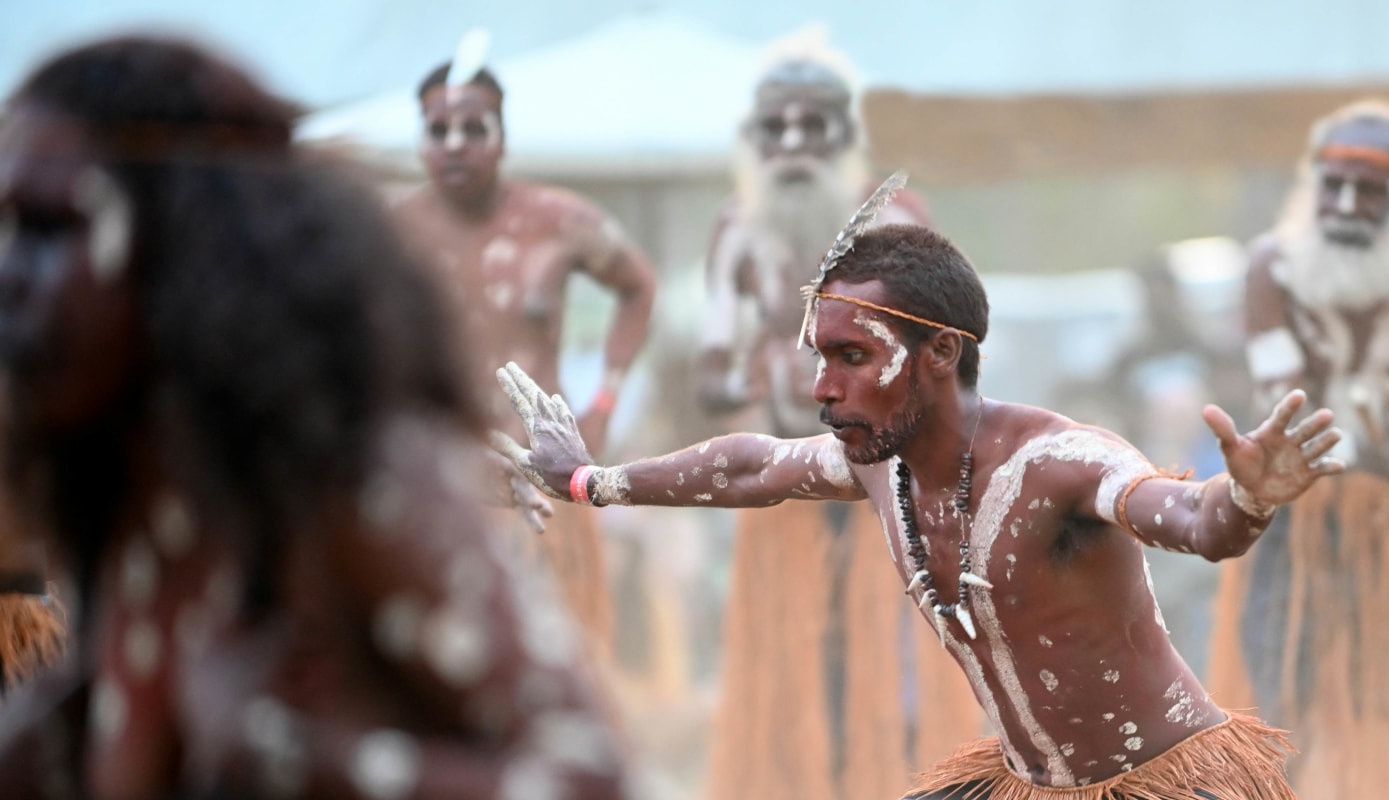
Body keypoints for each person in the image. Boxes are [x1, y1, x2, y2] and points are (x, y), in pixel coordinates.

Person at [495, 191, 1345, 798]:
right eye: (819, 356)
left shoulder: (1061, 463)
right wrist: (585, 478)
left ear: (940, 352)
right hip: (1024, 785)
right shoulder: (880, 464)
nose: (821, 387)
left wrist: (1249, 499)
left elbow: (1198, 522)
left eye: (851, 357)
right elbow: (753, 466)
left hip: (1162, 787)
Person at [0, 36, 636, 798]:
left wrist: (289, 757)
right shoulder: (129, 504)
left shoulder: (353, 482)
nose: (8, 273)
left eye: (47, 229)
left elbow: (595, 779)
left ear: (182, 238)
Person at [692, 28, 972, 800]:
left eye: (810, 125)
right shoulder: (737, 229)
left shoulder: (893, 223)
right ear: (754, 137)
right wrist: (743, 371)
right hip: (784, 488)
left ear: (843, 134)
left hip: (884, 480)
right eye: (775, 127)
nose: (792, 144)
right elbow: (711, 371)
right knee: (793, 657)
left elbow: (949, 357)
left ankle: (894, 782)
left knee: (888, 656)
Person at [1205, 99, 1389, 800]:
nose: (1347, 203)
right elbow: (1289, 416)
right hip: (1295, 515)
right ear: (1313, 184)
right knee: (1280, 711)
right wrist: (1384, 447)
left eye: (1370, 189)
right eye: (1334, 185)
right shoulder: (1271, 265)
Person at [390, 30, 657, 662]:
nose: (455, 144)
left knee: (564, 661)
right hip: (442, 485)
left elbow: (638, 287)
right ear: (421, 140)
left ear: (502, 138)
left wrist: (605, 400)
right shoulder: (392, 233)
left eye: (474, 128)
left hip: (546, 486)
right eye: (438, 130)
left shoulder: (558, 222)